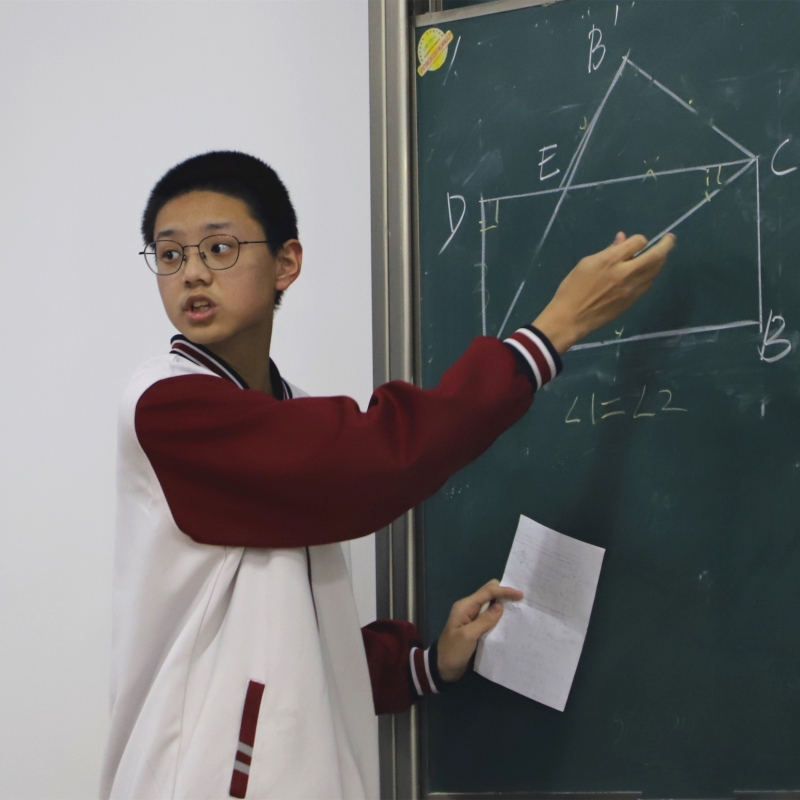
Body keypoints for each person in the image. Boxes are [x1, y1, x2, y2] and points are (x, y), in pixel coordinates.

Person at [100, 151, 674, 800]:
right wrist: (551, 333)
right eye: (170, 255)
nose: (193, 272)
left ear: (287, 262)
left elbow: (286, 631)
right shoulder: (166, 405)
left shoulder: (285, 411)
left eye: (220, 248)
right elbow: (374, 460)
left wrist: (423, 665)